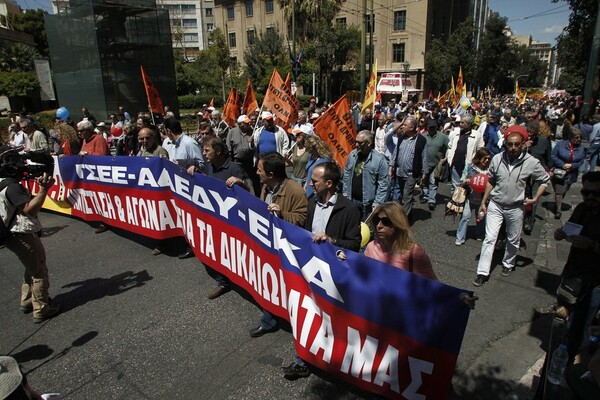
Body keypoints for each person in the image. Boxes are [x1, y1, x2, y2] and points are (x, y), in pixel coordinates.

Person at [283, 162, 361, 380]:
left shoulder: (350, 209)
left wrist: (332, 241)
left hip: (333, 276)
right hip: (309, 270)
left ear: (329, 183)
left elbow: (355, 245)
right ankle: (303, 360)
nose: (310, 184)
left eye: (314, 181)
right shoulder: (311, 203)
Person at [473, 125, 550, 286]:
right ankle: (482, 272)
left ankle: (508, 263)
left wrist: (535, 198)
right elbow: (491, 181)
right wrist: (483, 201)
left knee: (513, 239)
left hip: (516, 207)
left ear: (523, 144)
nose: (513, 147)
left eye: (517, 144)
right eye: (510, 144)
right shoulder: (496, 159)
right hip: (496, 204)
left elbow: (544, 180)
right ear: (505, 143)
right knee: (490, 238)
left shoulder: (532, 162)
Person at [243, 152, 308, 338]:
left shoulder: (296, 191)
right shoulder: (266, 186)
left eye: (260, 169)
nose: (256, 172)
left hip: (285, 249)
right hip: (266, 242)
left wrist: (282, 214)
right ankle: (269, 318)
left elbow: (302, 220)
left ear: (271, 174)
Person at [0, 150, 61, 323]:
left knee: (30, 266)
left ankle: (27, 300)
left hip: (9, 234)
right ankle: (42, 307)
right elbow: (30, 210)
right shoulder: (12, 187)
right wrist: (44, 189)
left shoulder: (2, 183)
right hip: (20, 234)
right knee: (39, 269)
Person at [190, 136, 249, 298]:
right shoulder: (208, 167)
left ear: (218, 151)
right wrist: (195, 173)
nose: (203, 153)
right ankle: (222, 281)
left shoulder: (234, 169)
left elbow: (250, 194)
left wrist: (240, 183)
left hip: (232, 221)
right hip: (214, 218)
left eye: (207, 150)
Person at [554, 171, 600, 364]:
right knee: (565, 316)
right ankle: (563, 351)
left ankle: (571, 358)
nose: (589, 197)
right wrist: (561, 232)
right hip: (573, 272)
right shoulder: (582, 208)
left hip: (594, 282)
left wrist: (591, 245)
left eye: (595, 194)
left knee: (581, 324)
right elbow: (571, 228)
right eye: (585, 192)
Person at [363, 202, 437, 280]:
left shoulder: (415, 254)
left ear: (398, 223)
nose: (379, 226)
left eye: (386, 221)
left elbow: (432, 288)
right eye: (376, 220)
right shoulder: (372, 247)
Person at [342, 130, 389, 221]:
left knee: (367, 231)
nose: (356, 145)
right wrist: (345, 193)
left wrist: (377, 203)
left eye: (359, 143)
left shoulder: (379, 160)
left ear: (368, 143)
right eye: (356, 142)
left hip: (368, 204)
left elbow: (383, 184)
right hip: (351, 200)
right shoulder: (352, 155)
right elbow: (346, 174)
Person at [388, 116, 428, 217]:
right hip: (400, 172)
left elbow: (424, 157)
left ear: (412, 127)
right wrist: (391, 167)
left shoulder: (421, 140)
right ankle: (409, 215)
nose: (403, 127)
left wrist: (424, 173)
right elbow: (395, 153)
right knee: (403, 194)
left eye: (405, 125)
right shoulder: (401, 138)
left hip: (411, 174)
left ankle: (403, 220)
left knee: (407, 196)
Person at [455, 147, 491, 245]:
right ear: (479, 158)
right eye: (485, 158)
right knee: (465, 217)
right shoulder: (470, 167)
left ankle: (479, 234)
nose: (487, 160)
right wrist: (465, 181)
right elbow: (462, 179)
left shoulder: (489, 170)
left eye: (488, 158)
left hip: (482, 199)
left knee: (480, 218)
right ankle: (460, 237)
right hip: (469, 197)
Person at [523, 119, 553, 233]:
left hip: (536, 175)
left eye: (533, 135)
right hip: (523, 175)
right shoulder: (522, 140)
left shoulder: (544, 141)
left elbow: (548, 158)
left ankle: (529, 222)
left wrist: (550, 169)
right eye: (529, 134)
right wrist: (524, 146)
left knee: (533, 199)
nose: (530, 137)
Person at [446, 114, 485, 193]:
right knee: (455, 186)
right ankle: (454, 203)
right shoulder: (455, 133)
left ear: (469, 124)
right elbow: (450, 147)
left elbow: (481, 150)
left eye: (462, 123)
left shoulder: (477, 135)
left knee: (467, 187)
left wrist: (476, 162)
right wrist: (450, 157)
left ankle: (464, 204)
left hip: (468, 167)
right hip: (455, 165)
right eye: (460, 122)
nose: (460, 124)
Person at [552, 128, 586, 219]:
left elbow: (582, 161)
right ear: (570, 137)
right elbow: (553, 156)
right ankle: (558, 210)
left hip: (572, 173)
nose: (578, 140)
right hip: (560, 172)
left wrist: (572, 165)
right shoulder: (561, 145)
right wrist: (562, 165)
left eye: (580, 138)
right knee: (559, 192)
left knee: (565, 190)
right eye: (576, 138)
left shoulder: (581, 148)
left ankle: (557, 203)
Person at [421, 119, 449, 210]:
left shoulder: (443, 137)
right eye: (430, 127)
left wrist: (445, 158)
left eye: (434, 127)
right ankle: (425, 195)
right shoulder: (423, 136)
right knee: (424, 180)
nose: (432, 129)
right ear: (427, 128)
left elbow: (450, 147)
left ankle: (431, 200)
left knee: (433, 181)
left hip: (437, 163)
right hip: (424, 163)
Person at [303, 134, 334, 199]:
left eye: (307, 147)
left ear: (312, 147)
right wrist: (305, 185)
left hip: (317, 192)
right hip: (308, 189)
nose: (305, 149)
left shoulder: (324, 160)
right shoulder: (311, 156)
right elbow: (309, 173)